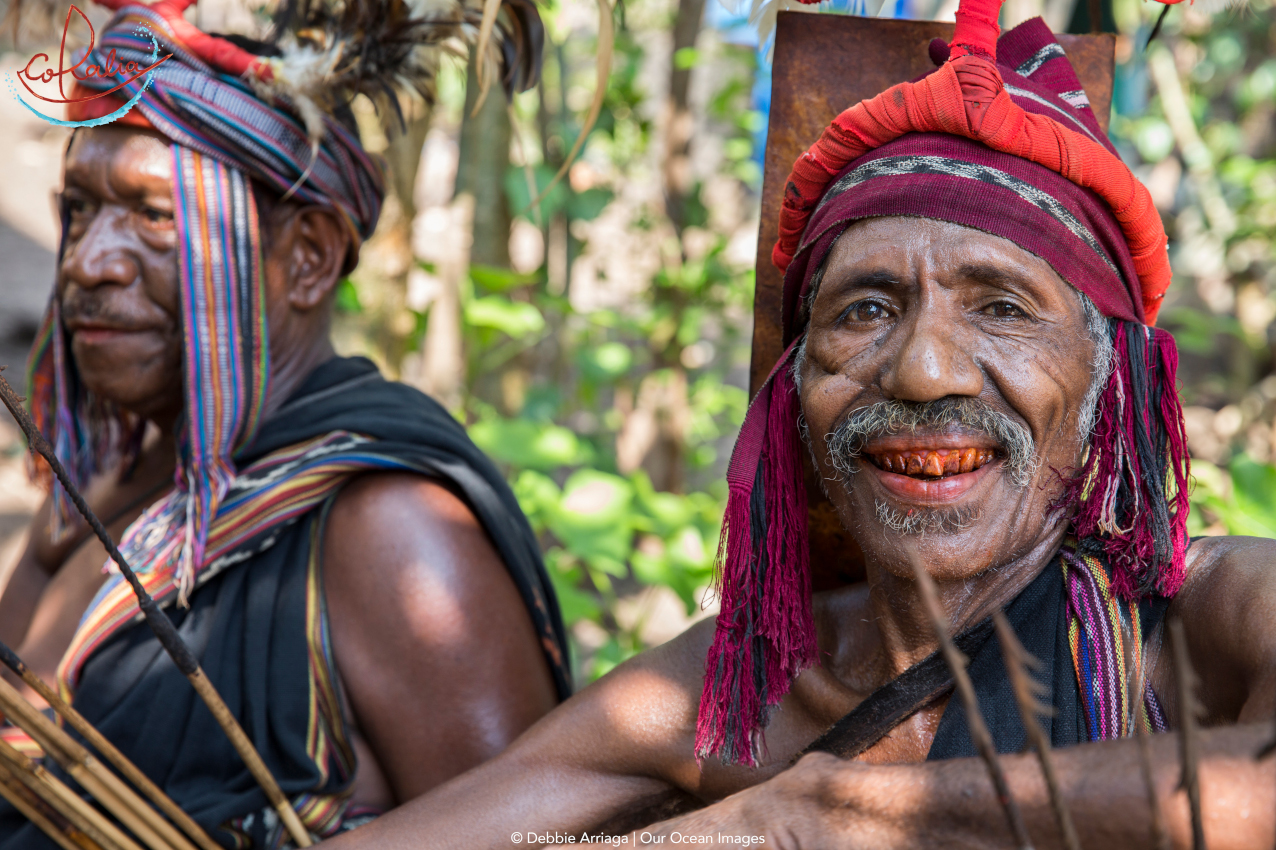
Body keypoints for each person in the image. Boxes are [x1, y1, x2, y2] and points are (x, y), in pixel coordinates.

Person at [323, 6, 1276, 849]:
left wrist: (827, 816)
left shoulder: (1213, 618)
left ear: (1110, 384)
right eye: (865, 309)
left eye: (1001, 307)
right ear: (794, 391)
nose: (922, 368)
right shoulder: (734, 697)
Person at [0, 0, 569, 845]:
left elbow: (541, 835)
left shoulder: (392, 532)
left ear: (306, 258)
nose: (86, 260)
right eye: (78, 209)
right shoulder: (95, 487)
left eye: (153, 216)